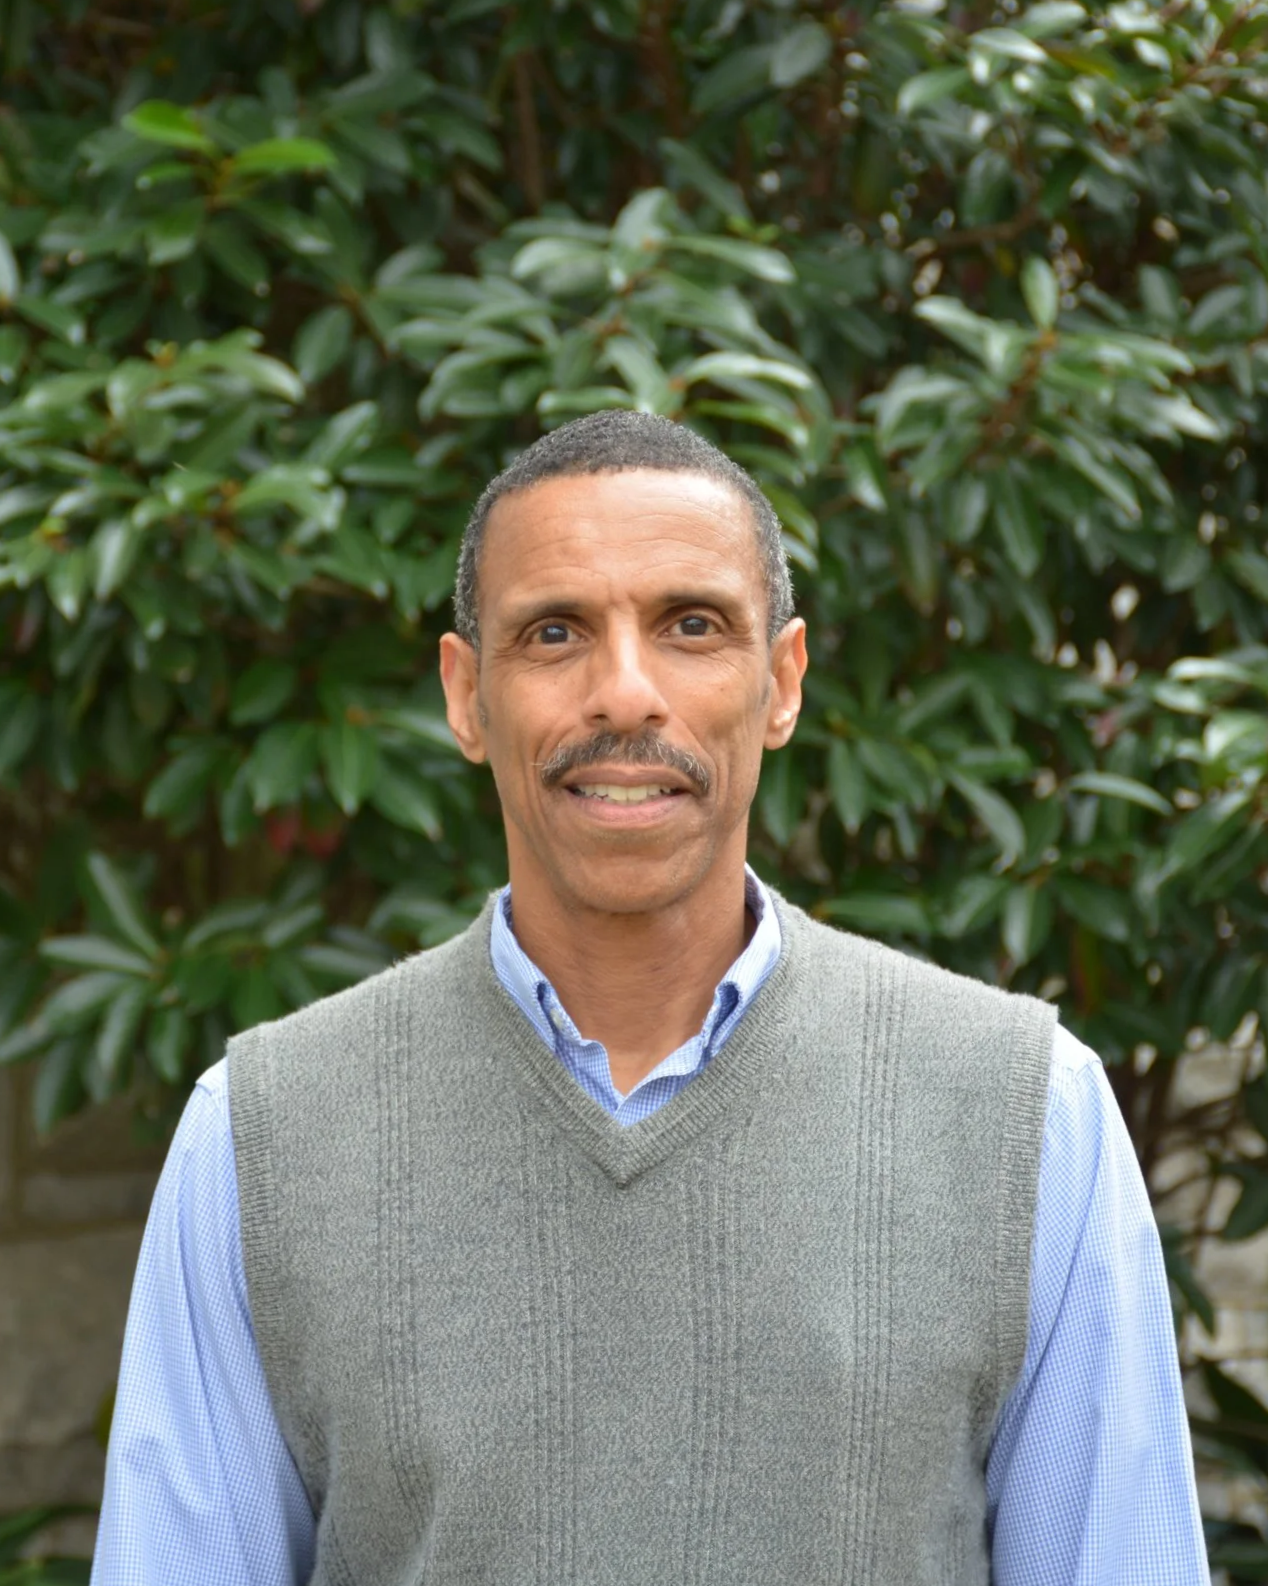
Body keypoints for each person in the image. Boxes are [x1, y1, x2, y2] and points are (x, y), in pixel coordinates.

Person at [92, 411, 1209, 1585]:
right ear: (467, 696)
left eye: (690, 625)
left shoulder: (1028, 1113)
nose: (623, 693)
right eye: (555, 630)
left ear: (779, 684)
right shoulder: (263, 1135)